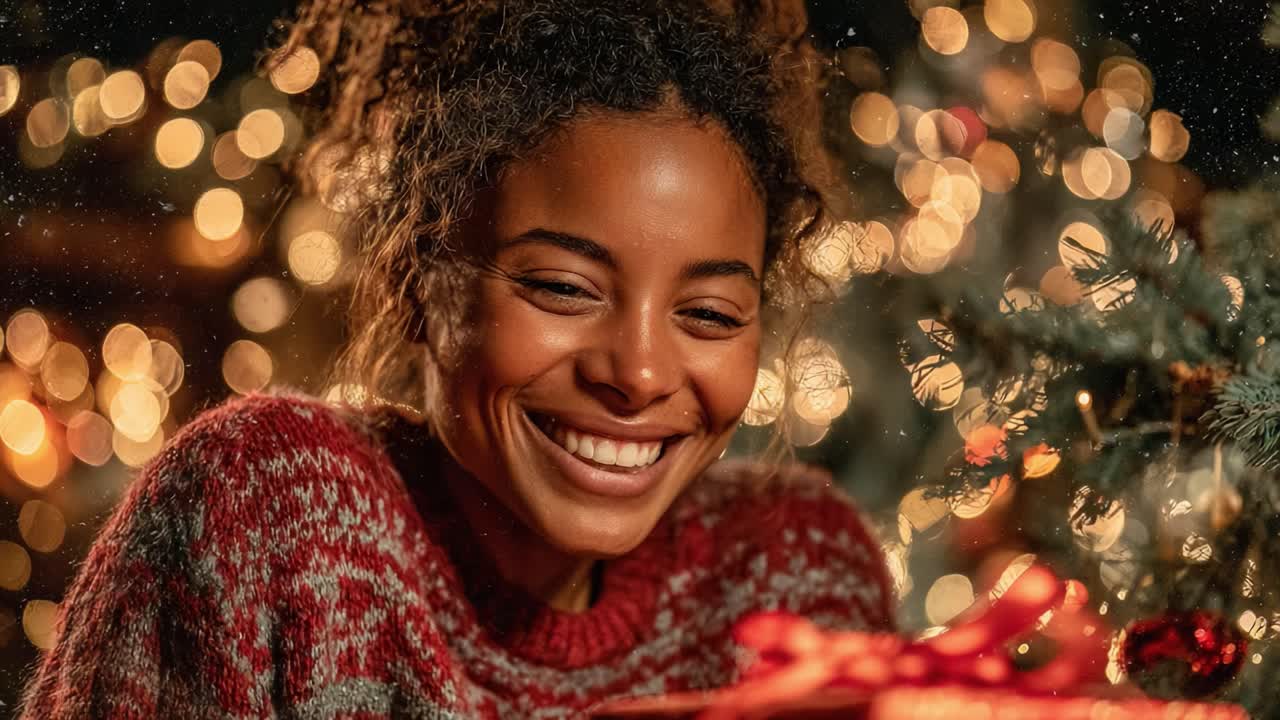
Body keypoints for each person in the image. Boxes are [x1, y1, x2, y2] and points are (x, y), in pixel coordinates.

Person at [19, 1, 892, 716]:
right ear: (417, 284)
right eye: (561, 289)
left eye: (707, 312)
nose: (640, 374)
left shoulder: (803, 573)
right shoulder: (268, 511)